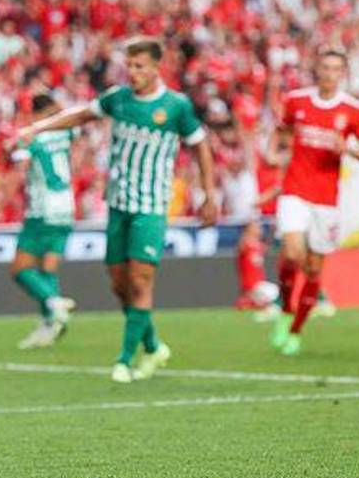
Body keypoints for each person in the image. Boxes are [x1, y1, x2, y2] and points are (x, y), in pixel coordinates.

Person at [15, 37, 218, 384]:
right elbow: (81, 114)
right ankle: (153, 346)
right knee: (120, 283)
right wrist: (39, 126)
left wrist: (209, 195)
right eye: (131, 66)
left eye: (140, 66)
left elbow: (200, 147)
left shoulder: (176, 106)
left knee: (141, 278)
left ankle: (125, 360)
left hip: (152, 206)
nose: (134, 73)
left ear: (157, 66)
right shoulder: (118, 99)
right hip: (119, 204)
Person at [267, 48, 359, 356]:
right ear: (317, 70)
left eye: (335, 69)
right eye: (325, 67)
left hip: (326, 200)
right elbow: (282, 131)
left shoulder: (353, 110)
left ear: (343, 73)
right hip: (294, 192)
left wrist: (349, 149)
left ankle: (296, 330)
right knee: (292, 253)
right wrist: (276, 153)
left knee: (314, 269)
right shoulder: (297, 101)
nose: (329, 73)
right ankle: (285, 308)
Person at [9, 93, 78, 349]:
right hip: (66, 208)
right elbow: (70, 116)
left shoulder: (31, 136)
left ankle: (53, 302)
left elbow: (18, 172)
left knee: (20, 269)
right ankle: (50, 324)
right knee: (47, 268)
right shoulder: (65, 133)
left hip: (41, 209)